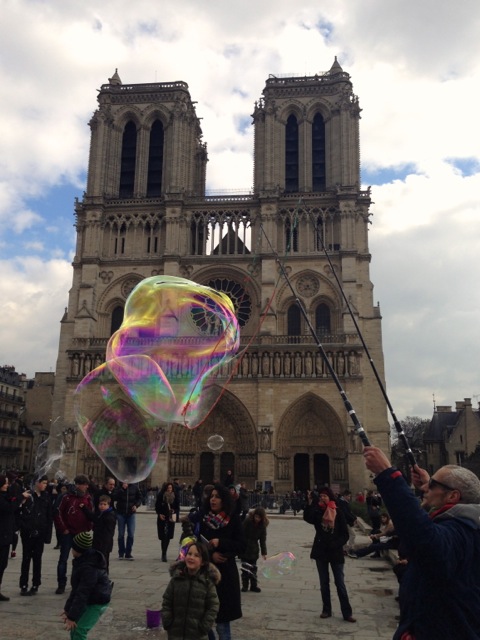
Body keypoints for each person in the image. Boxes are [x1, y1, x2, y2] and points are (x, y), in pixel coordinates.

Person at [363, 445, 480, 639]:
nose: (425, 488)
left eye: (433, 485)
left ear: (453, 496)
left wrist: (388, 475)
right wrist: (430, 485)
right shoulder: (468, 524)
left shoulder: (462, 532)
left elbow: (422, 537)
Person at [189, 483, 245, 640]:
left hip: (225, 575)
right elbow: (195, 544)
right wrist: (210, 554)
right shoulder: (203, 517)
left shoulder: (233, 520)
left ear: (224, 500)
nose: (213, 499)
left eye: (217, 497)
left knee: (222, 622)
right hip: (203, 573)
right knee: (201, 617)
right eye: (211, 496)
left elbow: (242, 545)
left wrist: (221, 543)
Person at [303, 487, 356, 623]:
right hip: (321, 551)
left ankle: (347, 613)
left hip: (335, 551)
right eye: (321, 496)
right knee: (324, 583)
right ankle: (326, 609)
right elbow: (307, 518)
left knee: (340, 583)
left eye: (325, 496)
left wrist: (335, 544)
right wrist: (309, 502)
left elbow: (345, 534)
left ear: (330, 498)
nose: (322, 498)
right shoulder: (317, 511)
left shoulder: (337, 511)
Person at [162, 541, 220, 639]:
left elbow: (213, 606)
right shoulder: (176, 579)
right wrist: (167, 621)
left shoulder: (207, 582)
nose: (191, 557)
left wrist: (204, 627)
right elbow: (167, 600)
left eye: (196, 555)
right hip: (175, 634)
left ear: (203, 562)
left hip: (197, 634)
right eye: (189, 554)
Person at [61, 531, 112, 640]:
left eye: (73, 547)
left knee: (80, 630)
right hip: (90, 598)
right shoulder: (81, 561)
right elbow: (76, 589)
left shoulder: (88, 568)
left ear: (77, 549)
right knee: (74, 628)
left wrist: (72, 616)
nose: (71, 549)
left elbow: (82, 593)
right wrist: (68, 609)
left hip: (97, 601)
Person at [54, 474, 93, 594]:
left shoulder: (87, 498)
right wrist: (64, 528)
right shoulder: (66, 497)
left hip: (81, 533)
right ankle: (61, 584)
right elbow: (57, 512)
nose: (86, 487)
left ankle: (78, 583)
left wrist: (89, 527)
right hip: (68, 532)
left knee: (83, 560)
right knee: (63, 559)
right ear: (78, 485)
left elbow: (91, 513)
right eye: (85, 485)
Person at [18, 474, 53, 595]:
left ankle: (35, 583)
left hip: (40, 532)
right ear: (37, 483)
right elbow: (20, 512)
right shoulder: (28, 495)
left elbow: (49, 517)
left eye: (46, 483)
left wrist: (48, 535)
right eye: (43, 483)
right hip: (27, 532)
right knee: (26, 558)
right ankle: (23, 584)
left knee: (37, 559)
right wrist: (24, 526)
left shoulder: (47, 497)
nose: (45, 485)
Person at [0, 474, 30, 601]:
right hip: (1, 536)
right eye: (5, 483)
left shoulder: (4, 496)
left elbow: (13, 508)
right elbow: (8, 508)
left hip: (6, 535)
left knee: (2, 564)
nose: (7, 485)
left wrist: (20, 500)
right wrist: (20, 498)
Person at [82, 495, 116, 571]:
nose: (102, 506)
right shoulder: (100, 514)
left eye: (104, 504)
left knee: (104, 561)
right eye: (101, 504)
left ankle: (105, 578)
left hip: (104, 543)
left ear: (108, 505)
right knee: (99, 560)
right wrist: (84, 508)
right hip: (98, 541)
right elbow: (92, 517)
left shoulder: (109, 516)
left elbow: (109, 533)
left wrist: (105, 544)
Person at [240, 507, 268, 593]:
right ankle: (245, 586)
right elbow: (241, 533)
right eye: (256, 517)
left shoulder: (262, 526)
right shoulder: (247, 522)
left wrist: (264, 552)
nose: (257, 519)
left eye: (259, 517)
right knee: (245, 569)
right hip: (245, 548)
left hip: (254, 549)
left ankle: (253, 586)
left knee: (253, 569)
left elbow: (262, 540)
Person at [113, 481, 142, 560]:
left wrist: (136, 505)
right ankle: (121, 553)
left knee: (131, 534)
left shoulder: (135, 487)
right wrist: (122, 488)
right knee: (121, 534)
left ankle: (128, 553)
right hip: (120, 513)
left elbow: (139, 498)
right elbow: (114, 497)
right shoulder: (119, 487)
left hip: (131, 514)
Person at [156, 482, 180, 562]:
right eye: (168, 488)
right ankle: (164, 553)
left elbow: (177, 507)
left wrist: (174, 511)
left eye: (171, 488)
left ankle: (164, 552)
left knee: (168, 535)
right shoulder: (161, 495)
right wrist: (159, 514)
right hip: (163, 518)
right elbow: (157, 506)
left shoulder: (175, 496)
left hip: (170, 518)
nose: (169, 489)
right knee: (163, 536)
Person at [336, 489, 357, 554]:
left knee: (345, 535)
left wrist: (354, 517)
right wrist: (353, 518)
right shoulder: (342, 502)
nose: (349, 498)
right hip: (345, 521)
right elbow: (346, 513)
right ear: (345, 496)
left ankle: (344, 549)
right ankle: (350, 548)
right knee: (352, 534)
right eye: (348, 496)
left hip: (345, 521)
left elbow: (349, 512)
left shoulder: (343, 502)